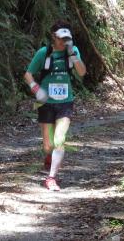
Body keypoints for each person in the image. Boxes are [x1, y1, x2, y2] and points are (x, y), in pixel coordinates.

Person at [24, 20, 86, 191]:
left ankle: (51, 178)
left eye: (66, 38)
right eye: (60, 38)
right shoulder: (44, 53)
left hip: (65, 102)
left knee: (60, 139)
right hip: (45, 102)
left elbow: (81, 72)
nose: (63, 41)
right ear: (53, 37)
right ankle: (49, 156)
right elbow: (28, 74)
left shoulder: (72, 52)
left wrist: (72, 52)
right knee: (48, 145)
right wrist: (36, 88)